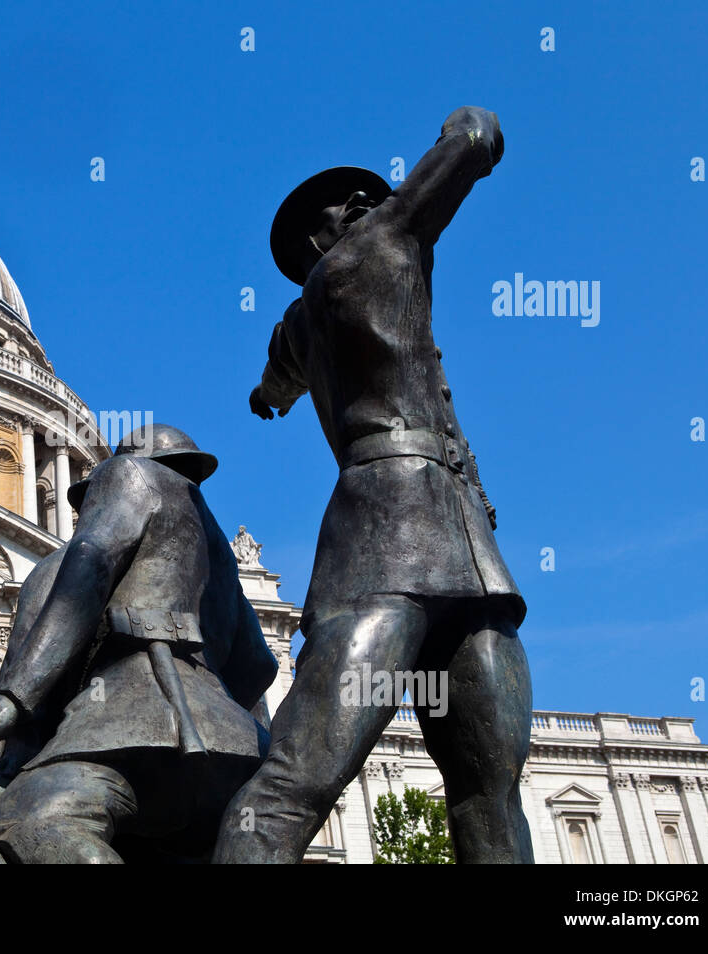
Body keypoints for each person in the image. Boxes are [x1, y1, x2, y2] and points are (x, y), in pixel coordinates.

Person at [214, 107, 533, 864]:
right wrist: (471, 124)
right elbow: (474, 141)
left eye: (372, 200)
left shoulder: (295, 325)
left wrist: (270, 397)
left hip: (459, 549)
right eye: (352, 207)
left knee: (487, 790)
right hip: (393, 538)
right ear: (323, 242)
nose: (370, 206)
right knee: (299, 781)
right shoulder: (386, 241)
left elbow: (275, 384)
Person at [0, 424, 277, 863]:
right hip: (233, 757)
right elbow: (260, 666)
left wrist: (9, 700)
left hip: (137, 739)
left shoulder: (122, 482)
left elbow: (90, 557)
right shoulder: (217, 555)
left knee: (30, 820)